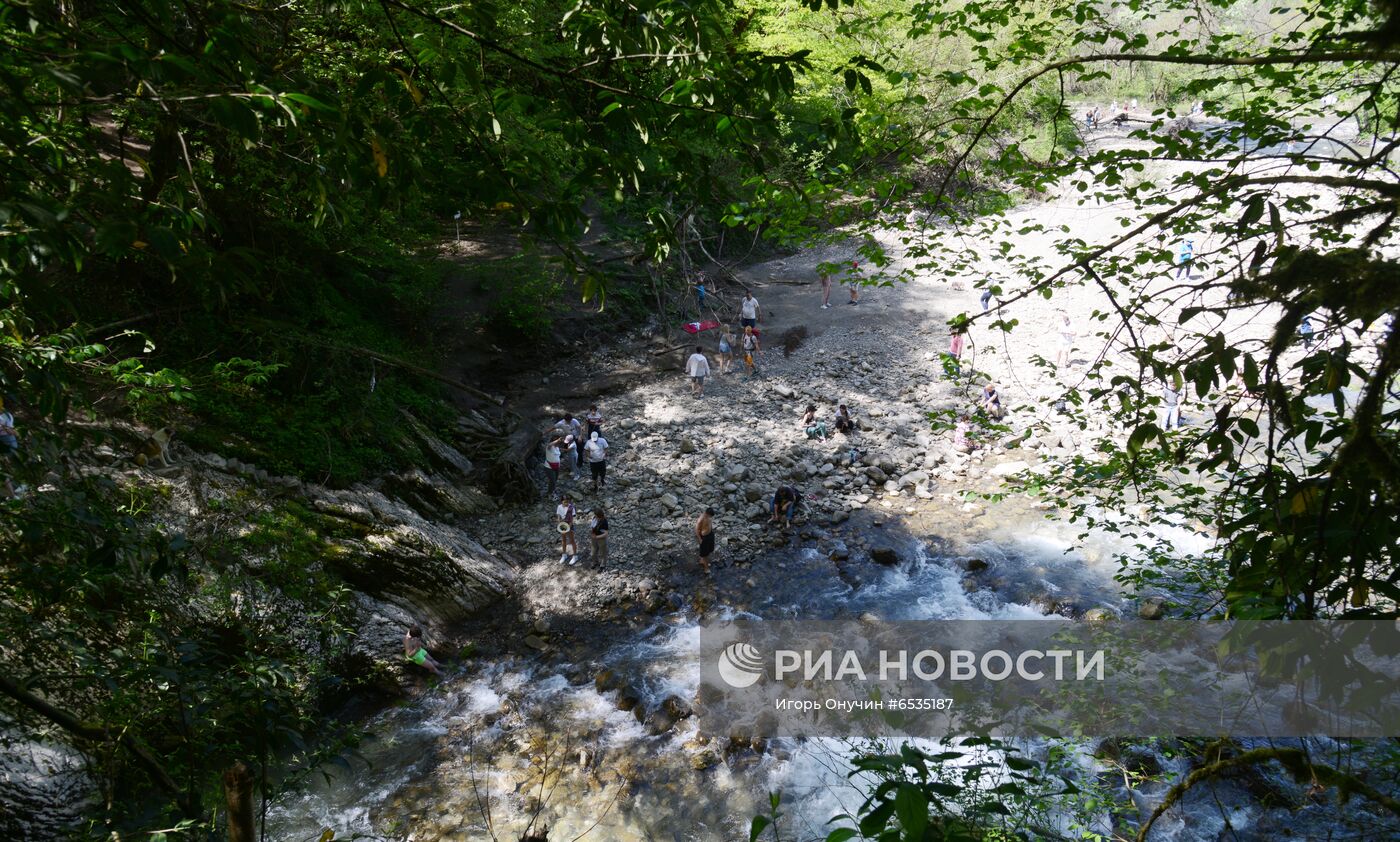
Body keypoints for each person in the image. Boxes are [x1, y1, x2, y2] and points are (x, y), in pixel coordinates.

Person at [0, 399, 17, 498]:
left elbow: (11, 431)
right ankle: (12, 493)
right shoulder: (7, 416)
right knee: (5, 469)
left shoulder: (6, 416)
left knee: (4, 470)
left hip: (7, 444)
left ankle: (12, 494)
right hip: (9, 443)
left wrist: (5, 428)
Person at [557, 493, 578, 564]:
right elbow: (559, 516)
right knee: (563, 540)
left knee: (572, 540)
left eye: (567, 501)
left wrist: (568, 527)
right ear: (561, 501)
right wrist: (560, 524)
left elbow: (572, 519)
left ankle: (575, 556)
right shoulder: (559, 507)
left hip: (569, 525)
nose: (566, 503)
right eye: (564, 501)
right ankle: (564, 554)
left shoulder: (571, 507)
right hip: (562, 525)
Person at [696, 507, 716, 573]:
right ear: (706, 514)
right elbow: (696, 529)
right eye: (710, 516)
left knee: (710, 550)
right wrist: (699, 539)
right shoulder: (701, 519)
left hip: (710, 534)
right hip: (704, 537)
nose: (710, 517)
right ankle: (706, 568)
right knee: (705, 554)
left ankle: (702, 561)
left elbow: (709, 524)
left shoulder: (709, 516)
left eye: (711, 516)